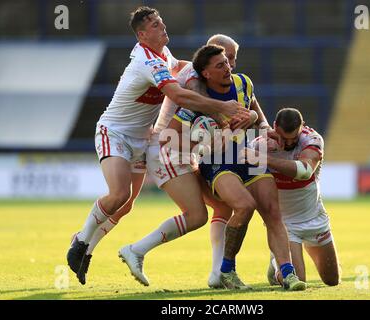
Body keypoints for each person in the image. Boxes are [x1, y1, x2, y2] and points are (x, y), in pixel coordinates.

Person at [66, 6, 248, 285]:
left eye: (161, 22)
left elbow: (177, 67)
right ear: (142, 34)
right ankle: (81, 241)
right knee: (118, 195)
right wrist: (221, 105)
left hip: (143, 138)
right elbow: (177, 93)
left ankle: (86, 250)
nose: (162, 26)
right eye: (154, 25)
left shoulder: (162, 56)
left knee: (125, 205)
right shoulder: (146, 61)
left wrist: (205, 68)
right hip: (115, 132)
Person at [120, 45, 306, 291]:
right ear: (206, 74)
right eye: (220, 65)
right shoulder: (199, 102)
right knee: (243, 206)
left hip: (248, 156)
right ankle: (226, 270)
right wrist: (202, 142)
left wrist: (255, 120)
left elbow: (255, 113)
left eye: (227, 63)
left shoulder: (243, 84)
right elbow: (168, 137)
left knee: (273, 211)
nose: (227, 67)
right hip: (218, 163)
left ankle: (287, 273)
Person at [244, 108, 341, 286]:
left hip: (314, 218)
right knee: (299, 279)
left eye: (293, 138)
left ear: (302, 127)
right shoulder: (259, 145)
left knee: (332, 280)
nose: (288, 143)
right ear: (274, 127)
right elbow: (253, 185)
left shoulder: (312, 139)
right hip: (285, 225)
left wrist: (264, 159)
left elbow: (304, 171)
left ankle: (277, 262)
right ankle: (278, 264)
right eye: (283, 137)